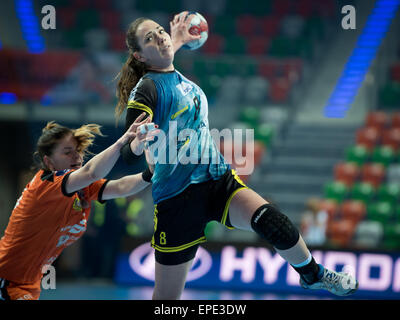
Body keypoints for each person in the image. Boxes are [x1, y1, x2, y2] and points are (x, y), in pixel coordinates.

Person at [115, 12, 359, 299]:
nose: (160, 37)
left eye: (159, 31)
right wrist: (137, 143)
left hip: (217, 179)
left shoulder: (172, 74)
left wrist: (178, 38)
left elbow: (164, 60)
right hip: (176, 198)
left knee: (273, 221)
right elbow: (128, 154)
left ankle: (312, 275)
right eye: (149, 38)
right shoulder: (146, 89)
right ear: (139, 56)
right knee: (166, 300)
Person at [0, 113, 158, 300]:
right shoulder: (46, 185)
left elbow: (121, 187)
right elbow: (91, 171)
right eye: (67, 152)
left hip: (29, 284)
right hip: (6, 278)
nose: (77, 156)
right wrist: (122, 141)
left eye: (78, 150)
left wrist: (151, 173)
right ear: (48, 162)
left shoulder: (83, 189)